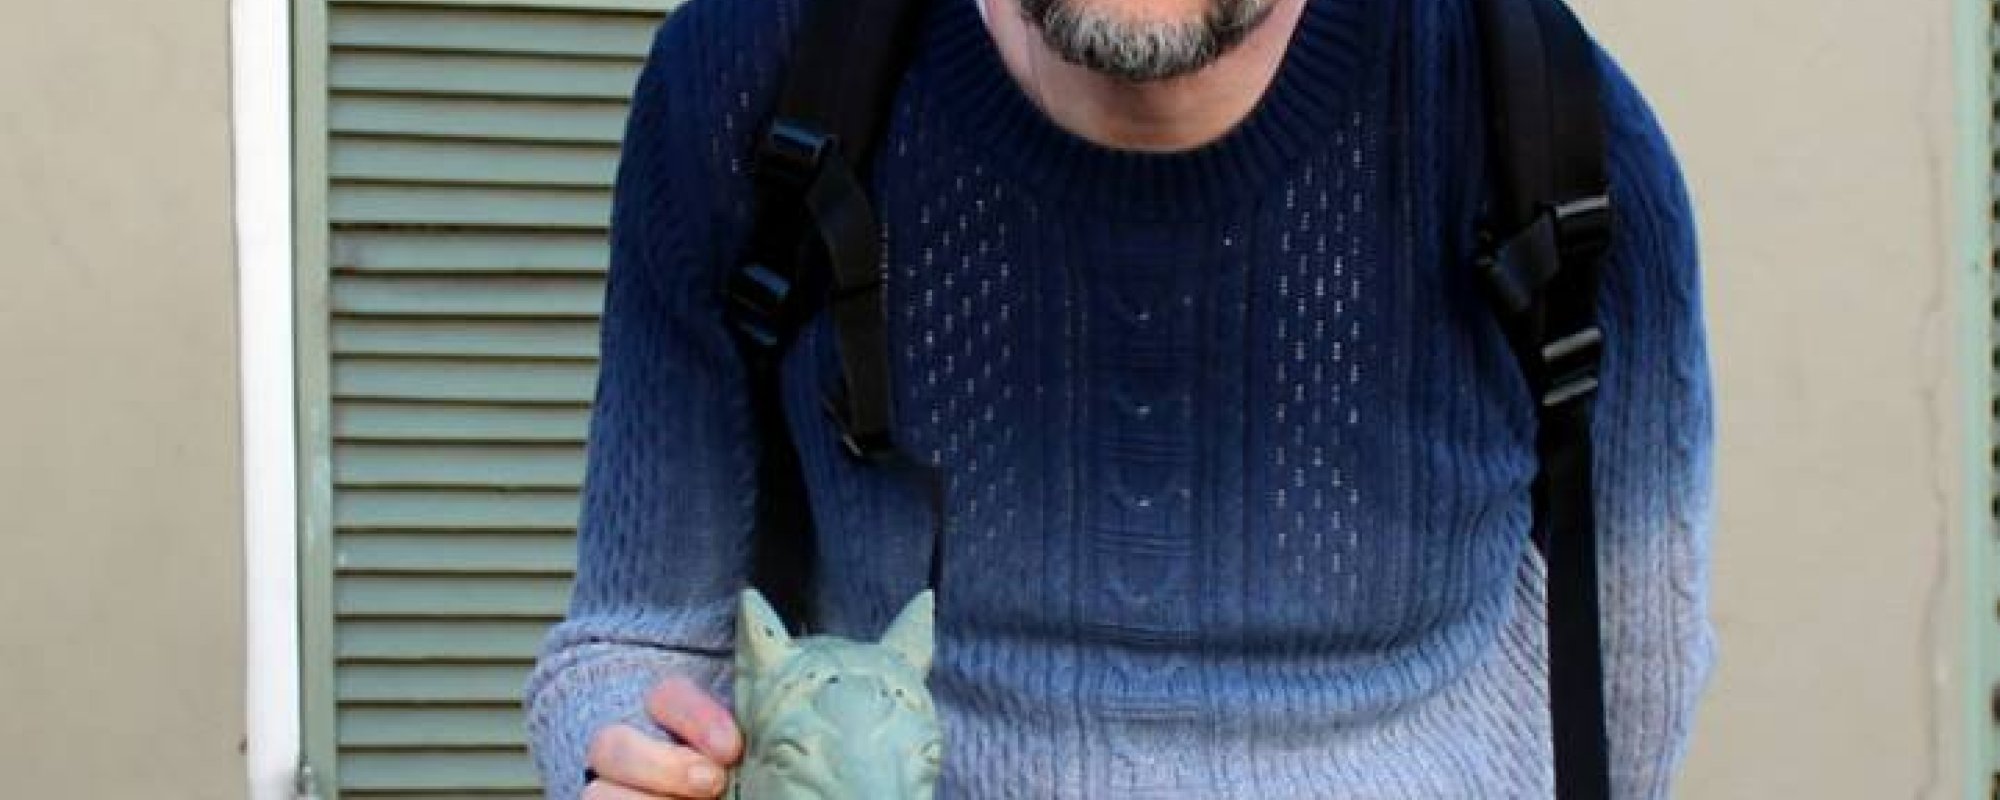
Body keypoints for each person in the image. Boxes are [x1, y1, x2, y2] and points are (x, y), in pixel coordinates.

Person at [523, 0, 1715, 794]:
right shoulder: (748, 89)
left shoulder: (1558, 139)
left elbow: (1622, 702)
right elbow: (638, 640)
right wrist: (634, 756)